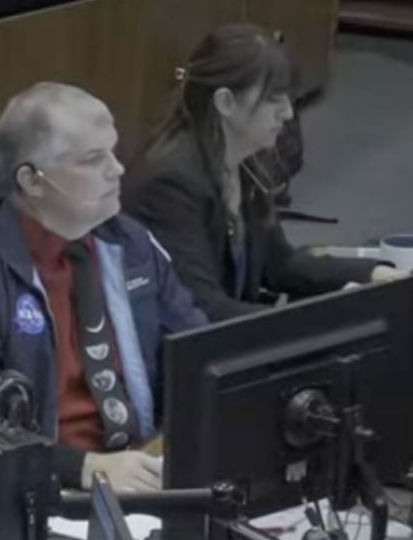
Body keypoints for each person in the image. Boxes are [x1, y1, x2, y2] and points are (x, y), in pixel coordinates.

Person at [0, 83, 210, 495]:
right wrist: (81, 467)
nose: (117, 169)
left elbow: (197, 351)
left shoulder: (129, 243)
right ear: (32, 180)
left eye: (113, 151)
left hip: (142, 467)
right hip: (42, 491)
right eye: (93, 159)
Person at [124, 24, 399, 322]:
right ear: (225, 102)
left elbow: (280, 264)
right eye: (273, 100)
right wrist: (315, 324)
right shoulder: (170, 184)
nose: (289, 113)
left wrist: (376, 273)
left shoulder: (240, 159)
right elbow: (203, 307)